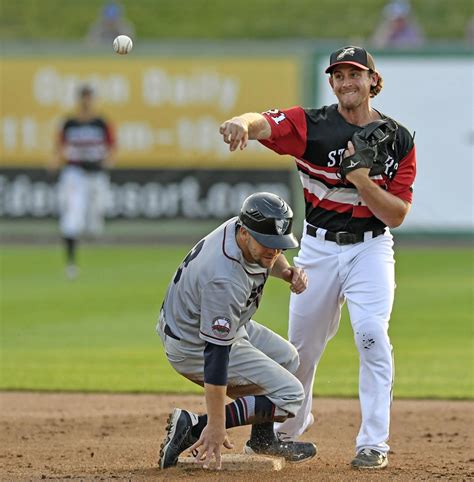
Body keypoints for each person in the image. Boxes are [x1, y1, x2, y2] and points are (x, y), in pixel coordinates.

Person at [219, 46, 417, 469]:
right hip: (318, 248)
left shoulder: (398, 139)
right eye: (339, 76)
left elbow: (397, 215)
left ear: (372, 81)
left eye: (355, 74)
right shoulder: (312, 125)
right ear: (332, 83)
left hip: (371, 246)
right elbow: (264, 123)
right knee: (301, 349)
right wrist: (241, 122)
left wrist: (361, 181)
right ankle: (288, 430)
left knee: (371, 335)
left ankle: (373, 443)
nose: (347, 82)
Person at [157, 192, 317, 470]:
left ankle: (262, 440)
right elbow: (216, 354)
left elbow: (269, 252)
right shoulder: (224, 278)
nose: (275, 251)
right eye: (268, 244)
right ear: (244, 233)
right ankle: (195, 426)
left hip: (215, 322)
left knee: (288, 358)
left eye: (279, 246)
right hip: (193, 344)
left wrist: (288, 273)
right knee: (291, 395)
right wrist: (217, 424)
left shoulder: (246, 228)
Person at [51, 85, 116, 279]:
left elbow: (112, 146)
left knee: (96, 219)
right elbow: (59, 147)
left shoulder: (101, 122)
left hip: (96, 174)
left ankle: (86, 238)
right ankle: (71, 264)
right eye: (84, 98)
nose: (87, 102)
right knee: (72, 217)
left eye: (90, 98)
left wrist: (106, 161)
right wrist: (55, 160)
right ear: (79, 100)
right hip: (75, 173)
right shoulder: (69, 123)